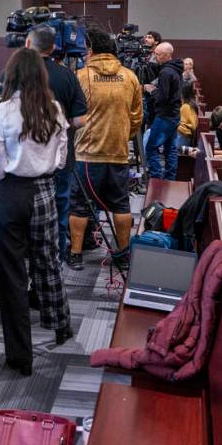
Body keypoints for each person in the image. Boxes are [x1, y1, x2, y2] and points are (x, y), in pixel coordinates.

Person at [0, 48, 71, 376]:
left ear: (12, 76)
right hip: (45, 192)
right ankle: (60, 325)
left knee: (12, 276)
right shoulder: (54, 109)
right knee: (48, 262)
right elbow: (62, 158)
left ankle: (20, 358)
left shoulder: (2, 112)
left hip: (11, 195)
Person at [69, 28, 143, 270]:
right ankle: (122, 256)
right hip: (119, 153)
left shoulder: (80, 76)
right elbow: (137, 118)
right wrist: (122, 136)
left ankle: (76, 254)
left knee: (79, 206)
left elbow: (71, 116)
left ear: (90, 49)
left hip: (87, 155)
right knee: (121, 205)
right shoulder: (130, 77)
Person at [25, 27, 88, 268]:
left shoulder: (15, 74)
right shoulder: (67, 75)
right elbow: (81, 119)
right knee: (60, 211)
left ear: (28, 43)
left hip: (24, 161)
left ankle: (28, 269)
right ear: (54, 48)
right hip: (60, 158)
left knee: (25, 216)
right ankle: (56, 262)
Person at [144, 42, 184, 180]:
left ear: (167, 55)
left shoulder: (166, 72)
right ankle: (169, 179)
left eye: (158, 54)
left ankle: (156, 179)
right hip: (174, 114)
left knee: (150, 148)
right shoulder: (176, 68)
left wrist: (152, 90)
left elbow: (162, 97)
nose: (156, 56)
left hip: (165, 115)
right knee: (170, 149)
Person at [175, 81, 198, 150]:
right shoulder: (190, 104)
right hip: (184, 138)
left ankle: (144, 159)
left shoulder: (186, 107)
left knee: (149, 134)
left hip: (182, 140)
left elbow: (191, 127)